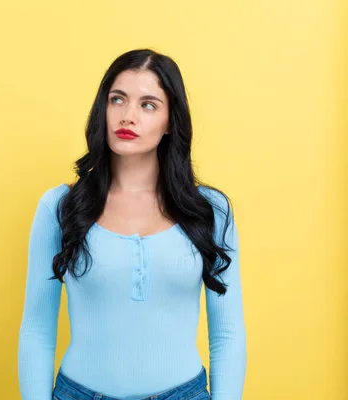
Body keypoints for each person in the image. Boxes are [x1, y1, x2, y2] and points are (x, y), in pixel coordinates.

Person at [17, 48, 246, 400]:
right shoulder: (60, 207)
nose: (127, 116)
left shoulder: (210, 210)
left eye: (148, 104)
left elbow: (227, 335)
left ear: (171, 121)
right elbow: (36, 330)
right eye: (117, 100)